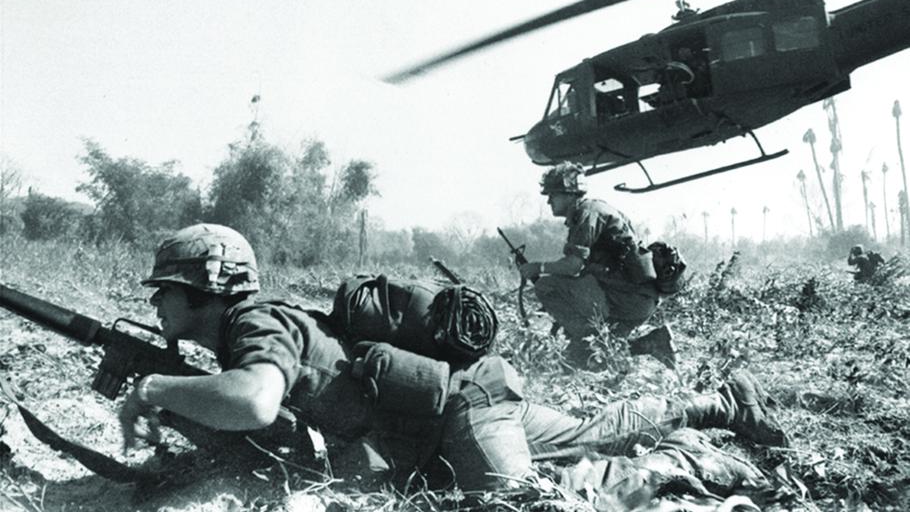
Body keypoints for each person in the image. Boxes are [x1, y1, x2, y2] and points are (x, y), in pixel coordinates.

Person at [120, 223, 787, 501]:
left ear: (202, 288)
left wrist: (154, 387)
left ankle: (686, 463)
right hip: (466, 401)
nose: (157, 304)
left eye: (164, 290)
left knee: (528, 503)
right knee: (590, 432)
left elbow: (255, 401)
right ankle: (720, 404)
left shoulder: (253, 322)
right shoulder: (261, 322)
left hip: (458, 415)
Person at [518, 162, 676, 369]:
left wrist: (536, 268)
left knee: (545, 286)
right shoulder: (595, 210)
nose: (548, 201)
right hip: (637, 300)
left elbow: (572, 266)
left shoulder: (587, 214)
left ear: (569, 193)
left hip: (626, 298)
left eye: (553, 194)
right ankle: (654, 342)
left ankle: (586, 338)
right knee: (583, 358)